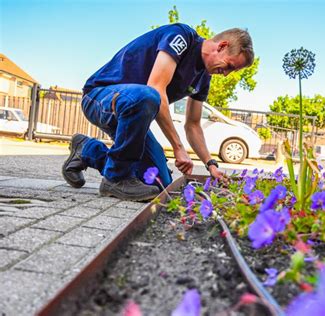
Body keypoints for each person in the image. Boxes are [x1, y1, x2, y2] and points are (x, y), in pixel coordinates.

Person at [62, 23, 254, 201]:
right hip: (99, 97)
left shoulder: (203, 79)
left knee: (157, 182)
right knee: (149, 95)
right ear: (221, 46)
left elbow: (193, 125)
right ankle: (116, 180)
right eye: (229, 66)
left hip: (134, 111)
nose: (227, 73)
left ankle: (87, 150)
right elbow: (157, 88)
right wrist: (178, 148)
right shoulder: (182, 37)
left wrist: (211, 164)